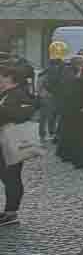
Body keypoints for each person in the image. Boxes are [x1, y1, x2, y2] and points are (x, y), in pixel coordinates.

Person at [1, 64, 40, 226]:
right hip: (3, 140)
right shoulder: (6, 93)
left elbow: (22, 114)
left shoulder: (19, 94)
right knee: (6, 176)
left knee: (11, 177)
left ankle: (11, 212)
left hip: (12, 140)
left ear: (10, 78)